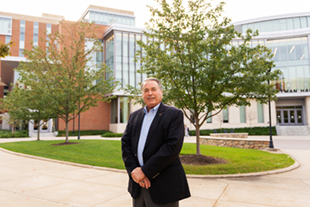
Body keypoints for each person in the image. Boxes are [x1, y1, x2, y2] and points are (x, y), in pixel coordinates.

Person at [122, 77, 190, 207]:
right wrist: (135, 171)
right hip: (138, 185)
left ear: (161, 92)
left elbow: (172, 148)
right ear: (142, 94)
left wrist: (145, 171)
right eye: (146, 90)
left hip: (164, 186)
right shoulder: (134, 116)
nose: (150, 93)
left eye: (154, 89)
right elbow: (125, 144)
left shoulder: (174, 114)